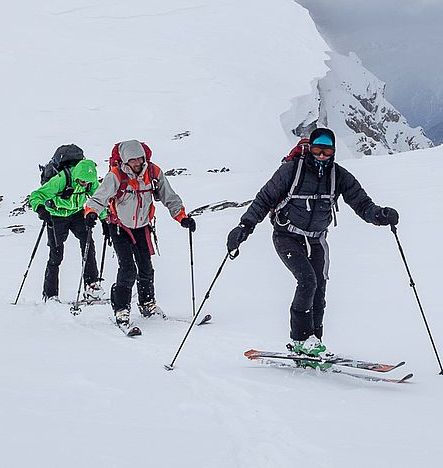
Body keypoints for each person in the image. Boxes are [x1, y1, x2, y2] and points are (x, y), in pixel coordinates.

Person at [225, 127, 399, 357]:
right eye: (317, 150)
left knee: (319, 290)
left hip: (317, 239)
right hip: (287, 235)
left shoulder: (339, 176)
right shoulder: (291, 171)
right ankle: (301, 340)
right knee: (307, 281)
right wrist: (244, 226)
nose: (322, 156)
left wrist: (379, 215)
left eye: (327, 151)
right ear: (309, 149)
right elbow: (264, 199)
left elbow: (361, 203)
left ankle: (315, 341)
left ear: (334, 151)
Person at [85, 140, 195, 327]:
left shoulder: (153, 172)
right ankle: (121, 309)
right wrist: (91, 212)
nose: (137, 163)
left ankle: (147, 304)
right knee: (128, 269)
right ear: (125, 161)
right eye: (132, 160)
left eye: (140, 159)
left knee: (146, 268)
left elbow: (169, 196)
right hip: (119, 226)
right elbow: (99, 198)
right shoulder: (116, 175)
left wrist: (182, 217)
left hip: (142, 226)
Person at [29, 158, 104, 302]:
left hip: (77, 213)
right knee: (56, 254)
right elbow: (36, 196)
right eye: (82, 181)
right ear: (77, 176)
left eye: (87, 182)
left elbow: (98, 199)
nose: (85, 184)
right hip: (56, 215)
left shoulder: (91, 180)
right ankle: (50, 294)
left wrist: (104, 218)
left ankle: (91, 286)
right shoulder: (61, 179)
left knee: (88, 245)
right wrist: (40, 209)